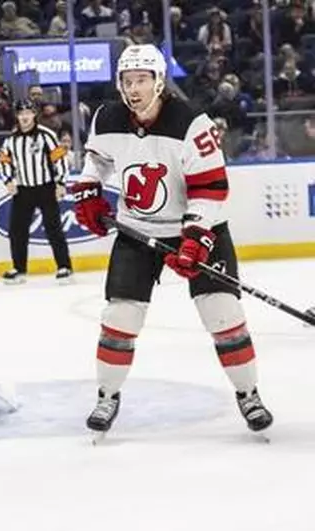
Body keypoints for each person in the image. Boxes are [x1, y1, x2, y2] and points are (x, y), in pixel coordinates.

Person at [68, 44, 273, 435]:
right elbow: (97, 160)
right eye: (127, 80)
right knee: (119, 317)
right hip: (137, 229)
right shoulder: (107, 117)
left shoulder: (192, 123)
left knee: (223, 313)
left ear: (159, 82)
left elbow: (211, 187)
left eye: (142, 79)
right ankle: (107, 396)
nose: (134, 88)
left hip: (199, 228)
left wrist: (195, 237)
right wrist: (89, 189)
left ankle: (248, 394)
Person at [0, 100, 72, 284]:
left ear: (34, 115)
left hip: (45, 188)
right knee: (17, 231)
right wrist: (8, 180)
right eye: (21, 113)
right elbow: (4, 161)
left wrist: (61, 182)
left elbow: (60, 159)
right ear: (16, 116)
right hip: (23, 190)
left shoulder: (46, 135)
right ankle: (19, 269)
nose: (24, 117)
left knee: (54, 228)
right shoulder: (11, 139)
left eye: (28, 113)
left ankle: (64, 266)